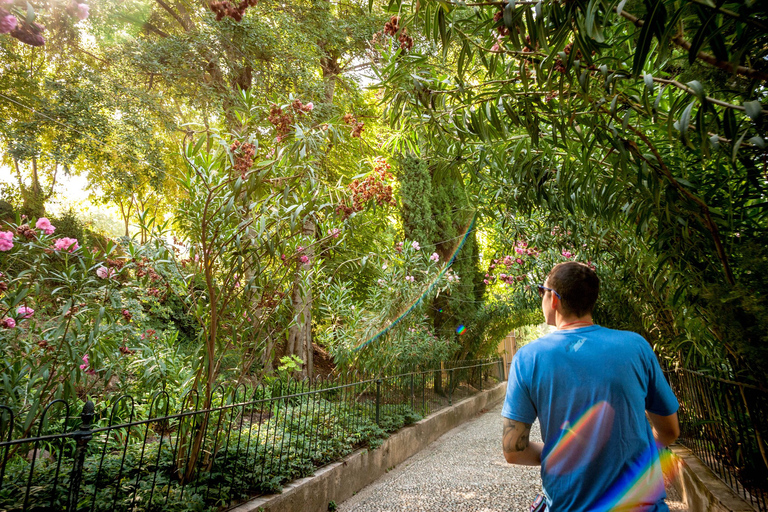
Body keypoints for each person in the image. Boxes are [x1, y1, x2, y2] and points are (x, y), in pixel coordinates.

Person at [502, 261, 680, 511]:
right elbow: (670, 431)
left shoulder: (529, 358)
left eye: (542, 291)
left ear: (554, 299)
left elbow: (513, 450)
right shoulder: (636, 347)